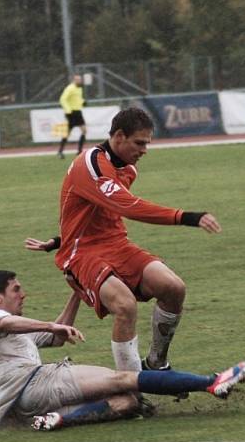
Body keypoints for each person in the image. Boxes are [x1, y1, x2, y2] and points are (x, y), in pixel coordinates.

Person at [25, 107, 222, 375]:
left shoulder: (128, 169)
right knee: (124, 305)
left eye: (147, 144)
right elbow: (128, 207)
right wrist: (187, 217)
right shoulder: (91, 163)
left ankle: (156, 364)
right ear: (119, 136)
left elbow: (98, 212)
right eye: (139, 143)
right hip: (82, 254)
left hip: (117, 245)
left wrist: (57, 239)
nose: (144, 150)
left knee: (173, 288)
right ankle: (130, 389)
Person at [0, 269, 245, 431]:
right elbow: (8, 323)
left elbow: (57, 336)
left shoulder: (17, 329)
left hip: (19, 411)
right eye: (16, 290)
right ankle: (211, 383)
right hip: (33, 385)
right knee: (122, 378)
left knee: (129, 401)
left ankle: (58, 420)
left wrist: (77, 293)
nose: (23, 294)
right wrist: (50, 326)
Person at [57, 74, 87, 159]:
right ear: (73, 80)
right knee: (68, 133)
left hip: (78, 112)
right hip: (71, 113)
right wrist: (68, 110)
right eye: (77, 79)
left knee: (84, 130)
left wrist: (83, 102)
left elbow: (77, 99)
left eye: (80, 79)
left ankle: (79, 151)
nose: (79, 81)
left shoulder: (79, 88)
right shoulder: (70, 88)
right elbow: (62, 99)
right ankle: (60, 152)